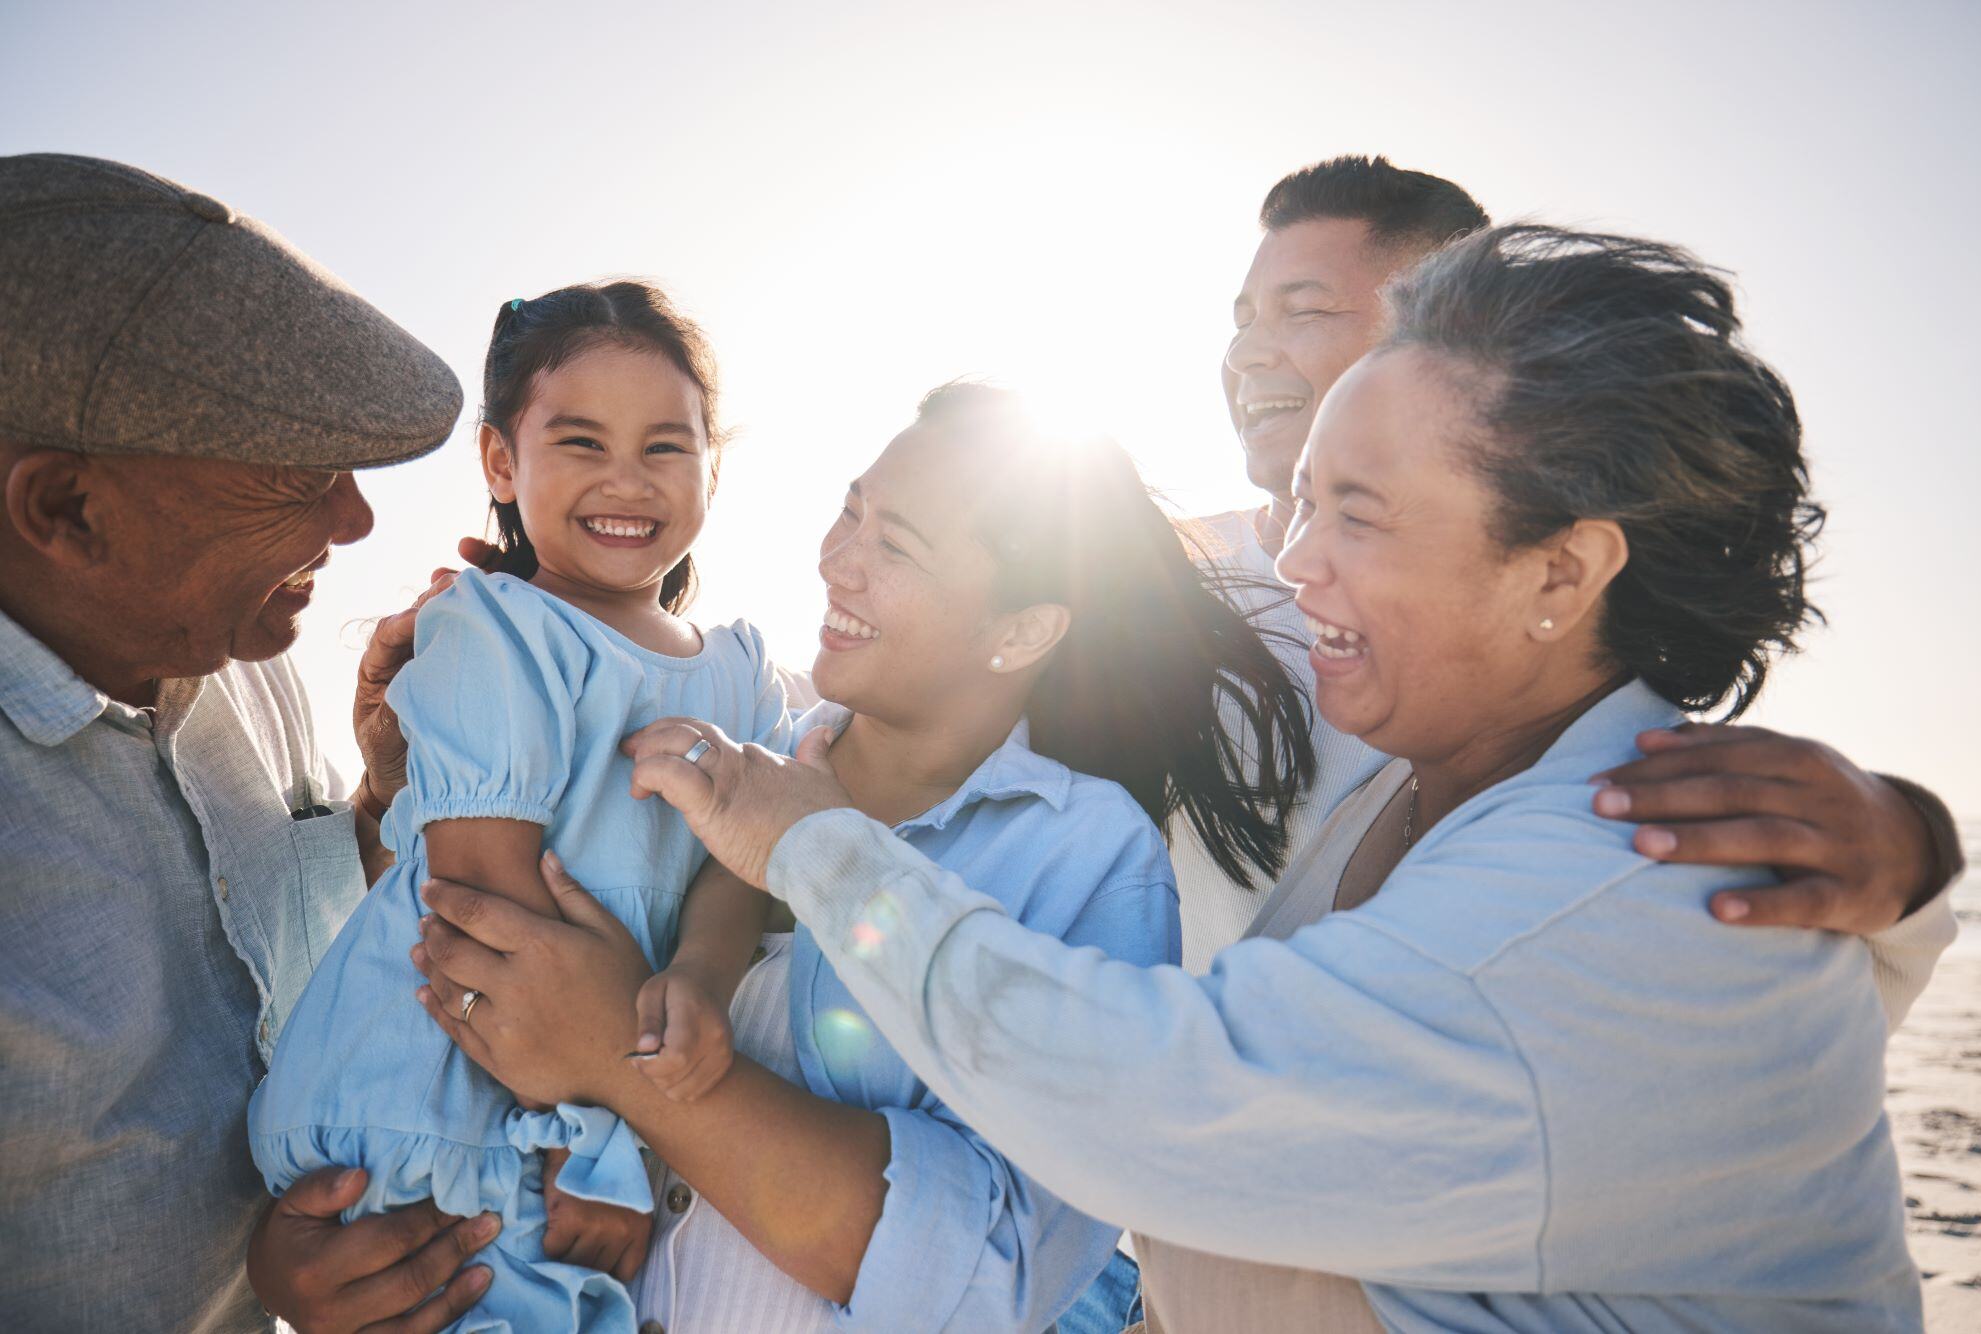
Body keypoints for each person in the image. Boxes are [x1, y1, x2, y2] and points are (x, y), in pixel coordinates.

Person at [427, 225, 1957, 1329]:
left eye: (1354, 511)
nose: (1291, 562)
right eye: (1300, 501)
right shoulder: (1407, 768)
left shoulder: (1612, 889)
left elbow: (1151, 1103)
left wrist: (813, 857)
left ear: (1564, 570)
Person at [399, 383, 1314, 1331]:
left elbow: (991, 1272)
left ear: (1023, 630)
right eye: (850, 511)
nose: (837, 561)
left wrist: (622, 1068)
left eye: (896, 545)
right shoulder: (723, 754)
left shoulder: (1085, 856)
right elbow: (469, 985)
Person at [1181, 156, 1960, 971]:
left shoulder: (1574, 699)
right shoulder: (1145, 585)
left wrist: (1914, 854)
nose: (1245, 356)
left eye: (1302, 311)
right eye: (1241, 321)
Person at [0, 153, 497, 1332]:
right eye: (291, 473)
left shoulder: (241, 656)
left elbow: (293, 959)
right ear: (66, 508)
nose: (355, 517)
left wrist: (380, 809)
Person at [249, 281, 795, 1330]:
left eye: (666, 447)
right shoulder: (496, 630)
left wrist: (693, 988)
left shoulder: (744, 671)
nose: (625, 480)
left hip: (622, 1097)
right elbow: (481, 897)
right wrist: (603, 1126)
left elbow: (740, 869)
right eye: (581, 441)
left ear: (712, 466)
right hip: (462, 1103)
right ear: (502, 461)